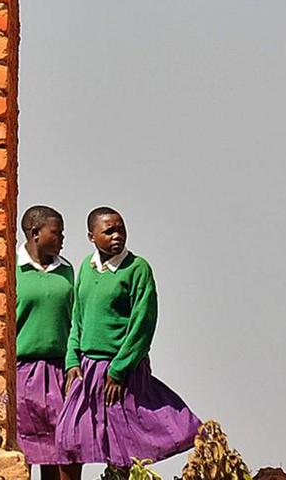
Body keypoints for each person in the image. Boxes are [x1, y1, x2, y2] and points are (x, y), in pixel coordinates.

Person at [56, 207, 201, 465]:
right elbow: (77, 318)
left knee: (123, 444)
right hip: (87, 367)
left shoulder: (137, 269)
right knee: (70, 439)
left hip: (121, 369)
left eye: (121, 229)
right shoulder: (86, 269)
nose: (117, 236)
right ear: (92, 237)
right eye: (108, 231)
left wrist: (120, 370)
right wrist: (71, 361)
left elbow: (142, 323)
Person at [16, 205, 81, 480]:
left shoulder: (67, 271)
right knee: (24, 451)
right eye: (57, 232)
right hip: (21, 373)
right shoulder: (11, 269)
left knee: (66, 451)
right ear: (35, 233)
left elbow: (77, 319)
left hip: (61, 371)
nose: (63, 238)